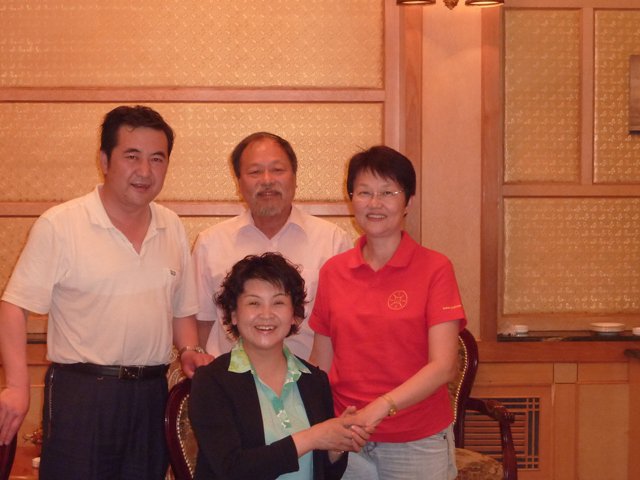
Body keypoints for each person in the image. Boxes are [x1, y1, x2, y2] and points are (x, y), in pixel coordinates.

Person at [0, 105, 212, 479]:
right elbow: (14, 306)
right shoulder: (61, 224)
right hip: (82, 393)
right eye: (132, 156)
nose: (145, 171)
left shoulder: (172, 226)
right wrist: (18, 386)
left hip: (150, 394)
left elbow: (181, 309)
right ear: (104, 160)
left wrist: (190, 349)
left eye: (157, 159)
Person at [309, 146, 466, 480]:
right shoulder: (333, 272)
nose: (375, 203)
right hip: (347, 435)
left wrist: (380, 407)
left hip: (417, 439)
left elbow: (444, 366)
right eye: (364, 192)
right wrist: (319, 426)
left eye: (388, 193)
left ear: (408, 202)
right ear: (352, 200)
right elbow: (321, 362)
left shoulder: (435, 269)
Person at [189, 252, 371, 480]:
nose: (266, 314)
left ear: (295, 315)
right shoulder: (212, 380)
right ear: (233, 314)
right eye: (254, 303)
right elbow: (231, 469)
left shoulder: (314, 380)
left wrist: (337, 444)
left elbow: (327, 473)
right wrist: (313, 437)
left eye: (278, 303)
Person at [192, 132, 352, 359]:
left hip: (309, 375)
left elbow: (344, 326)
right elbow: (202, 322)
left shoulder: (333, 241)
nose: (267, 180)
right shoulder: (210, 243)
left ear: (295, 178)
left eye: (277, 170)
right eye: (255, 172)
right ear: (238, 182)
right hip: (229, 377)